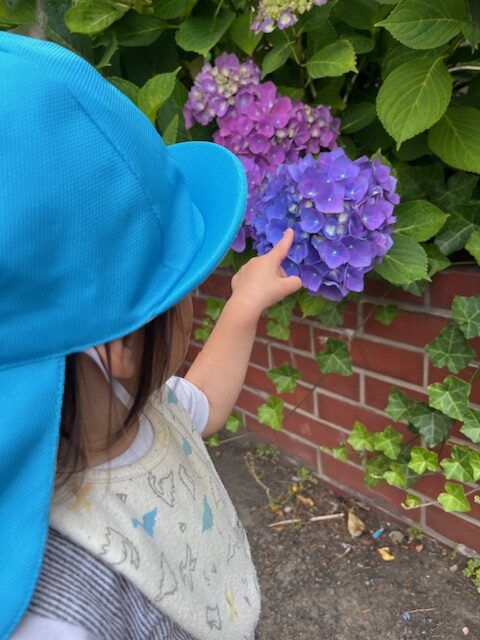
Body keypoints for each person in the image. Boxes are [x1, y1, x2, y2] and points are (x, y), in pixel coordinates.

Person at [0, 31, 302, 640]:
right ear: (125, 347)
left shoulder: (117, 405)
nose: (195, 296)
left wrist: (243, 306)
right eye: (185, 285)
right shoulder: (58, 613)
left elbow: (202, 410)